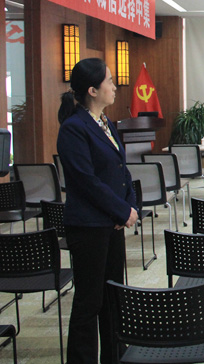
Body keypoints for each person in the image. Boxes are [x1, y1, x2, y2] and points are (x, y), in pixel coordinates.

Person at [57, 58, 139, 364]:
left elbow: (121, 170)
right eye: (109, 81)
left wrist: (129, 206)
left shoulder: (104, 122)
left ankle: (114, 356)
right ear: (92, 90)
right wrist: (121, 211)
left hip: (111, 224)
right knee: (89, 301)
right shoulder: (74, 128)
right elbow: (86, 181)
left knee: (112, 296)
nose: (114, 87)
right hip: (89, 226)